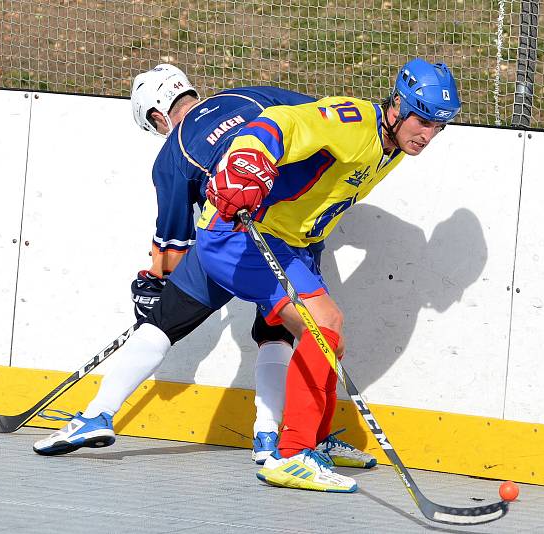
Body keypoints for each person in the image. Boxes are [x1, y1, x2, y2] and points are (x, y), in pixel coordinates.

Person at [33, 65, 372, 469]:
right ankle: (268, 436)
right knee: (277, 334)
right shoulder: (250, 96)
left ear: (158, 115)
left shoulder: (173, 152)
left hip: (233, 236)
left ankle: (96, 415)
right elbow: (317, 120)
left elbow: (173, 247)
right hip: (295, 227)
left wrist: (156, 282)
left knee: (161, 325)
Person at [192, 57, 461, 492]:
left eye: (439, 127)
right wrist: (247, 157)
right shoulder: (354, 122)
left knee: (331, 333)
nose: (428, 136)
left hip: (283, 241)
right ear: (398, 104)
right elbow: (283, 122)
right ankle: (292, 455)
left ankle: (311, 440)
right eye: (423, 121)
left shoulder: (394, 146)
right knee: (323, 326)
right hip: (235, 233)